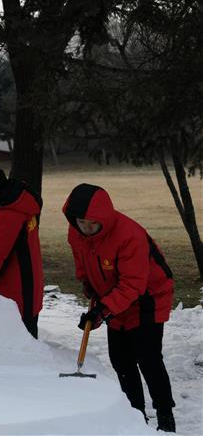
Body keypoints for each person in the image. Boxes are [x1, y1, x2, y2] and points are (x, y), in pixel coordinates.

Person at [62, 184, 176, 432]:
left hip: (149, 296)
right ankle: (135, 415)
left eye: (93, 223)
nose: (87, 228)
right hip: (114, 299)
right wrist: (88, 284)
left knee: (148, 358)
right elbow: (81, 261)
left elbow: (133, 284)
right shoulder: (76, 233)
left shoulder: (128, 235)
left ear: (104, 218)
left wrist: (102, 311)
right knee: (121, 359)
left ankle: (165, 415)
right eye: (82, 222)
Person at [0, 160, 44, 338]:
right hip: (20, 293)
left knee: (20, 354)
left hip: (16, 296)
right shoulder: (10, 199)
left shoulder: (7, 213)